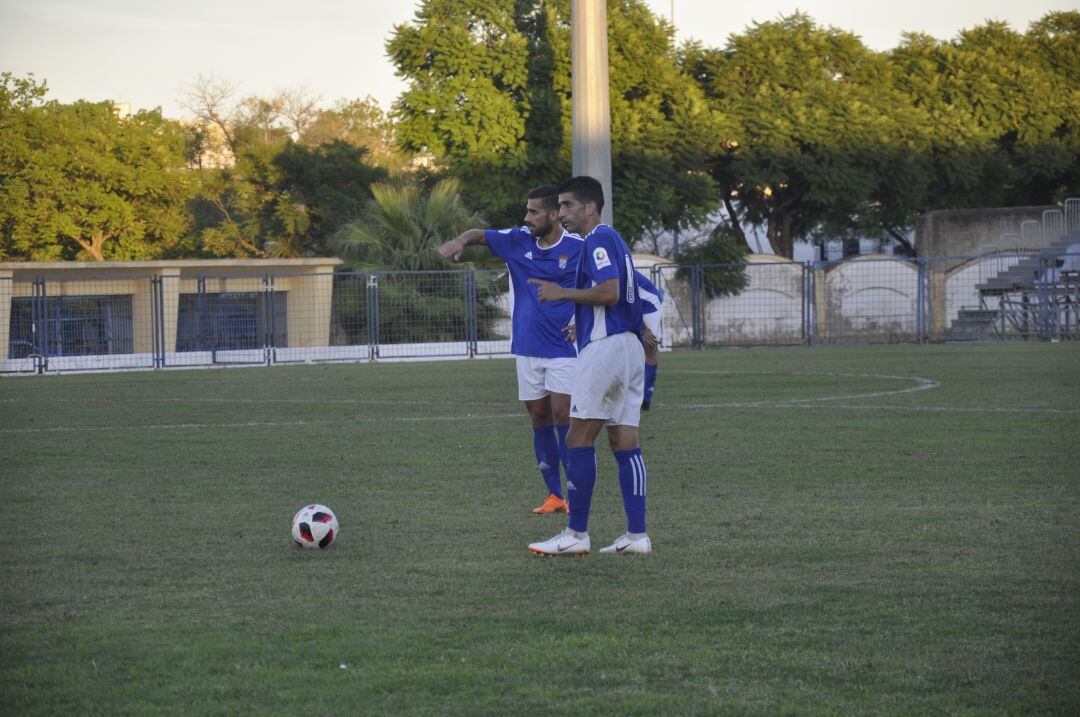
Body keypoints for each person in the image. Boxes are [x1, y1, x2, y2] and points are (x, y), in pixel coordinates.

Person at [526, 176, 652, 556]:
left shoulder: (597, 239)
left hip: (607, 350)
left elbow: (610, 292)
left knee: (577, 438)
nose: (561, 212)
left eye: (567, 205)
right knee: (624, 441)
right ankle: (637, 536)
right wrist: (579, 322)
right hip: (629, 347)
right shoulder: (614, 240)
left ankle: (576, 534)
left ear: (590, 207)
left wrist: (561, 292)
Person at [438, 185, 583, 514]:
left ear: (554, 214)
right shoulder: (518, 239)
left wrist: (584, 321)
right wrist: (460, 242)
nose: (527, 217)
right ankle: (554, 495)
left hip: (564, 348)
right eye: (527, 210)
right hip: (526, 347)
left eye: (533, 211)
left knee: (564, 415)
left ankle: (577, 494)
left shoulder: (578, 247)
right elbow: (478, 234)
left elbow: (602, 286)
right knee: (539, 416)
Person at [635, 270, 663, 410]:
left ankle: (646, 397)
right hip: (633, 303)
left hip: (649, 303)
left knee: (649, 346)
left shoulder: (617, 270)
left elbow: (629, 305)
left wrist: (645, 329)